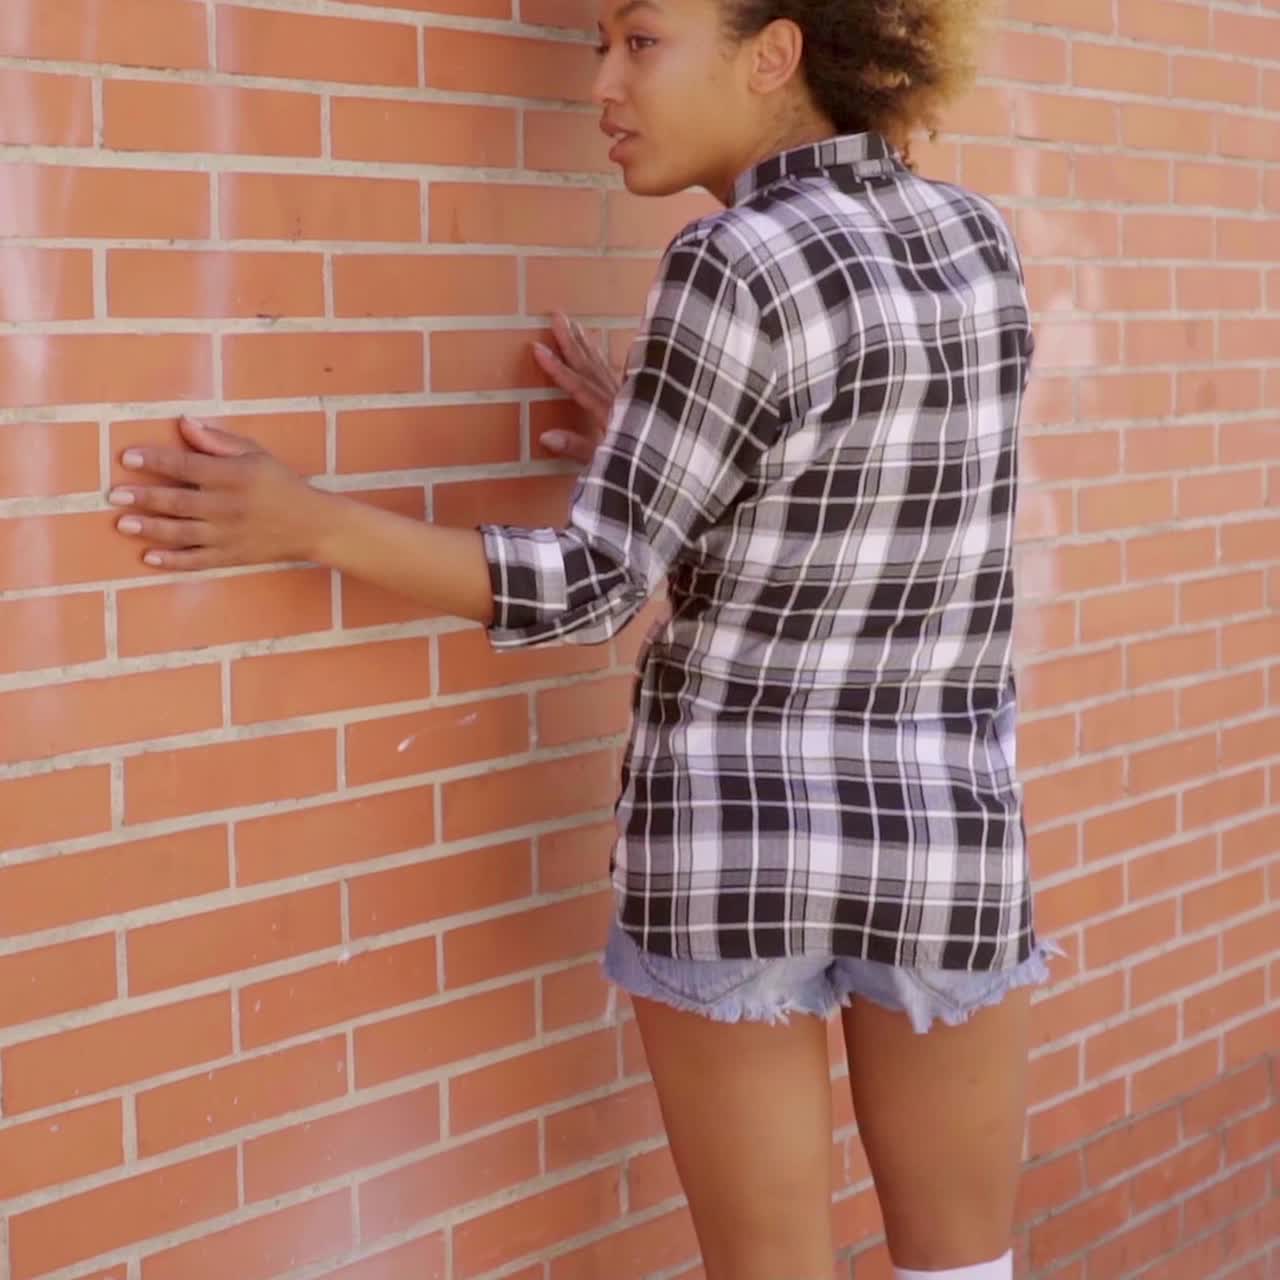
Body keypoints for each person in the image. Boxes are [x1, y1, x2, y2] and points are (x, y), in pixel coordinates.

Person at [108, 0, 1057, 1276]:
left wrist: (303, 520)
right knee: (963, 1264)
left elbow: (591, 585)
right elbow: (873, 483)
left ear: (773, 54)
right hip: (944, 825)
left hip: (738, 836)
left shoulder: (732, 256)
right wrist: (656, 433)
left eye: (640, 41)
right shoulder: (972, 236)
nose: (604, 84)